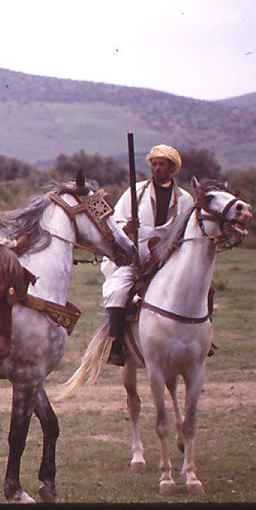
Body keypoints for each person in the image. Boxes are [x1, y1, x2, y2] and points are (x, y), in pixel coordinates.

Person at [101, 144, 194, 366]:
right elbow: (114, 225)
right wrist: (127, 228)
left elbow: (188, 232)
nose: (157, 168)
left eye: (162, 164)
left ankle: (203, 339)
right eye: (154, 164)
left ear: (171, 168)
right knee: (117, 292)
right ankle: (118, 344)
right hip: (134, 258)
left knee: (202, 289)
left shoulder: (185, 200)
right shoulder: (135, 193)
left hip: (168, 261)